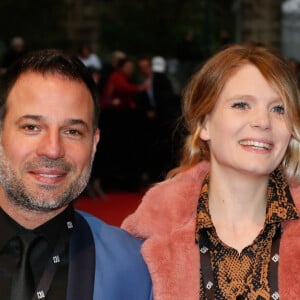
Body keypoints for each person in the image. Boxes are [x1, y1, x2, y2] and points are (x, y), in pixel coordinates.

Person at [122, 44, 300, 299]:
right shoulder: (147, 235)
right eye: (241, 105)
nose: (263, 121)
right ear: (204, 124)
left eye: (279, 109)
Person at [0, 49, 152, 300]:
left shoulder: (135, 266)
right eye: (32, 127)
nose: (52, 150)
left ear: (94, 144)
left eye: (72, 131)